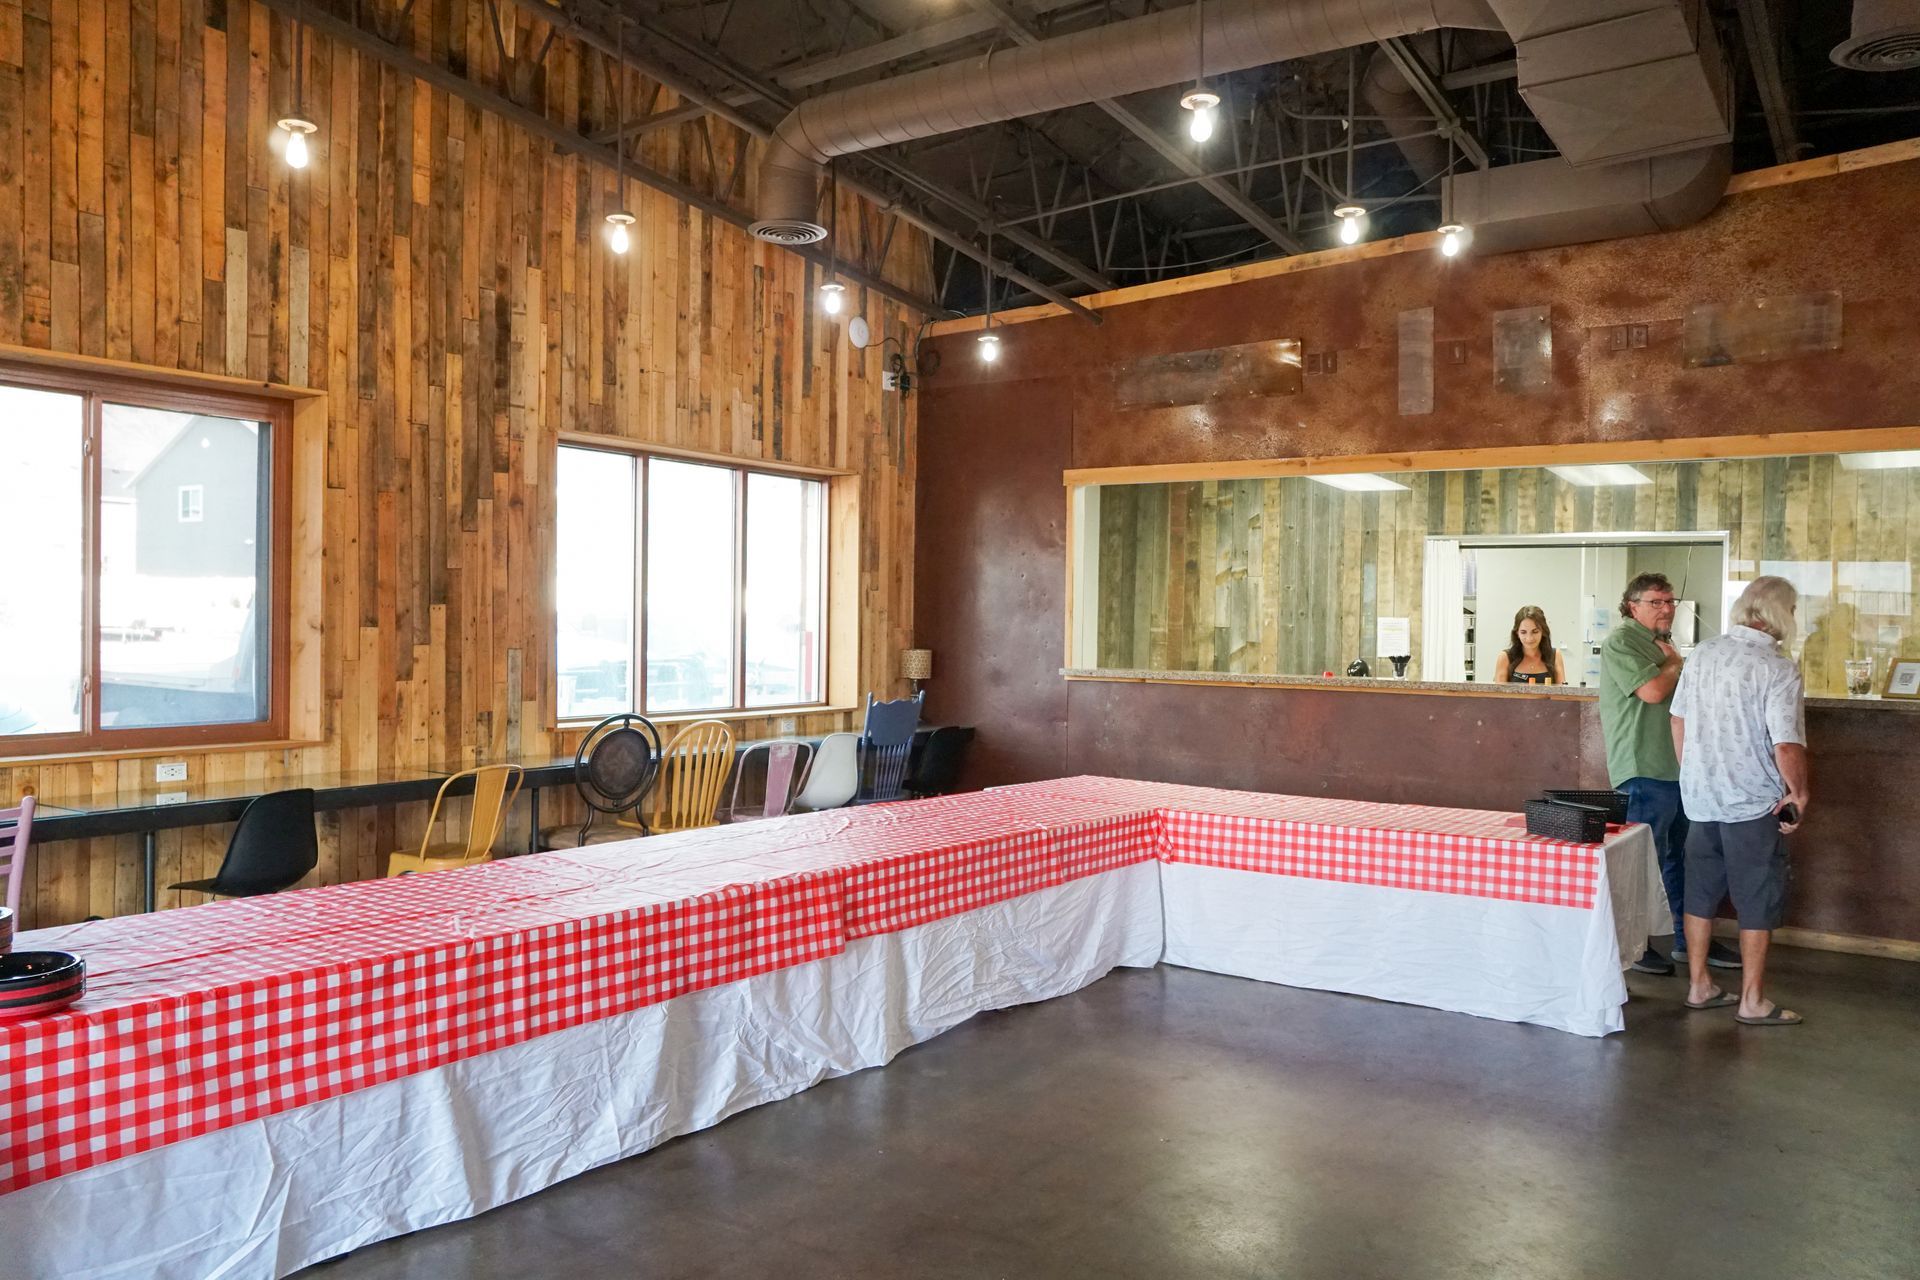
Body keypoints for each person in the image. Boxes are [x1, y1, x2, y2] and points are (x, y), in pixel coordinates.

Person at [1669, 576, 1809, 1025]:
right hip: (1753, 803)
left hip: (1700, 798)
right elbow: (1785, 746)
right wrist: (1799, 793)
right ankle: (1752, 1001)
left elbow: (1677, 720)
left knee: (1700, 894)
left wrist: (1693, 773)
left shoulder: (1704, 653)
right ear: (1782, 615)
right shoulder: (1778, 669)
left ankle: (1698, 985)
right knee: (1756, 899)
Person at [1598, 572, 1741, 976]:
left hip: (1678, 769)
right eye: (1656, 602)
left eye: (1669, 601)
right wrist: (1677, 662)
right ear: (1632, 605)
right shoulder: (1623, 641)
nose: (1665, 608)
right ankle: (1632, 945)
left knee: (1681, 860)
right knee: (1641, 863)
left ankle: (1687, 938)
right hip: (1641, 768)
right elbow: (1653, 692)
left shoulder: (1662, 644)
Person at [1493, 605, 1568, 686]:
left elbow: (1562, 694)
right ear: (1517, 633)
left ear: (1543, 631)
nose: (1529, 638)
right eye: (1523, 632)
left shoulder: (1555, 656)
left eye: (1535, 632)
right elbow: (1499, 695)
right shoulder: (1505, 657)